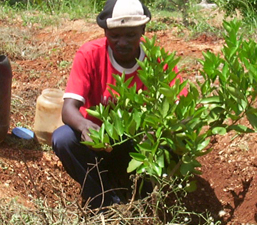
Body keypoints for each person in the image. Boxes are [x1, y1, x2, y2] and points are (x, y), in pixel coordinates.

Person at [52, 0, 186, 210]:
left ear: (143, 30)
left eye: (130, 35)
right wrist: (86, 126)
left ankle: (144, 199)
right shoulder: (89, 54)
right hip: (99, 145)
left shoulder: (158, 60)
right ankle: (102, 201)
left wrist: (160, 130)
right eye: (115, 35)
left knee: (177, 139)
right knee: (63, 139)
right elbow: (68, 109)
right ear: (105, 32)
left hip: (139, 148)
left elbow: (182, 108)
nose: (122, 42)